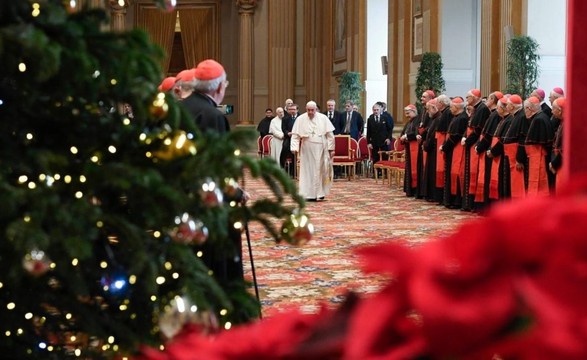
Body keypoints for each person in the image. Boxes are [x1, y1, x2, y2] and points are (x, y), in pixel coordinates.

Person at [180, 59, 245, 284]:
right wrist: (236, 193)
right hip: (207, 202)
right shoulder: (213, 116)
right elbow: (218, 167)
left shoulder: (180, 108)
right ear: (218, 87)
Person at [290, 101, 335, 202]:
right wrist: (294, 147)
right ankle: (307, 193)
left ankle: (320, 193)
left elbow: (330, 135)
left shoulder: (323, 118)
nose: (310, 112)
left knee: (320, 171)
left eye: (312, 110)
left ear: (316, 109)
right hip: (306, 149)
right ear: (306, 109)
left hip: (321, 149)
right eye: (308, 110)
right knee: (307, 171)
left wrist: (331, 149)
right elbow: (295, 135)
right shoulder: (300, 119)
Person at [523, 96, 554, 197]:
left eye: (525, 109)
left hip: (539, 156)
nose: (525, 112)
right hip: (540, 156)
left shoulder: (538, 119)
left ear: (530, 109)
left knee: (539, 184)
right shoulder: (541, 116)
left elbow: (539, 142)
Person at [440, 97, 468, 209]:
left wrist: (445, 147)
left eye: (451, 107)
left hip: (456, 149)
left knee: (456, 175)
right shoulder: (456, 117)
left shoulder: (462, 118)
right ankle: (450, 200)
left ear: (456, 107)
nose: (450, 109)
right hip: (452, 149)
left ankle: (456, 201)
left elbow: (455, 136)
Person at [366, 102, 393, 176]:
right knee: (375, 157)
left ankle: (385, 173)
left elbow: (390, 129)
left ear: (380, 110)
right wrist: (369, 142)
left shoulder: (385, 118)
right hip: (374, 141)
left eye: (377, 110)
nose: (376, 111)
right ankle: (376, 173)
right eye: (374, 110)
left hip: (384, 141)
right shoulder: (370, 119)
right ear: (372, 110)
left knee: (385, 157)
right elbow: (368, 132)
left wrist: (389, 138)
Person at [400, 104, 419, 197]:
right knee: (409, 169)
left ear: (414, 111)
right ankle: (409, 190)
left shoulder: (418, 120)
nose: (406, 115)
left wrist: (406, 136)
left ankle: (415, 189)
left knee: (414, 169)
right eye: (405, 113)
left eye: (408, 113)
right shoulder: (409, 122)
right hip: (409, 148)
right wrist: (402, 137)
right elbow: (403, 133)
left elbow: (416, 133)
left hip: (415, 147)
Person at [549, 97, 565, 193]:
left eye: (553, 108)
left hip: (562, 164)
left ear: (559, 111)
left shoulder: (567, 124)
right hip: (558, 162)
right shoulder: (562, 122)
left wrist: (554, 163)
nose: (551, 111)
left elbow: (564, 149)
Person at [281, 103, 299, 177]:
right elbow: (283, 128)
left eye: (294, 109)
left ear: (297, 110)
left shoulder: (300, 118)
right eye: (290, 109)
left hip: (298, 139)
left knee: (296, 156)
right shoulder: (285, 118)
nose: (292, 111)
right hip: (288, 139)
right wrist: (287, 133)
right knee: (285, 152)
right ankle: (285, 171)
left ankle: (295, 172)